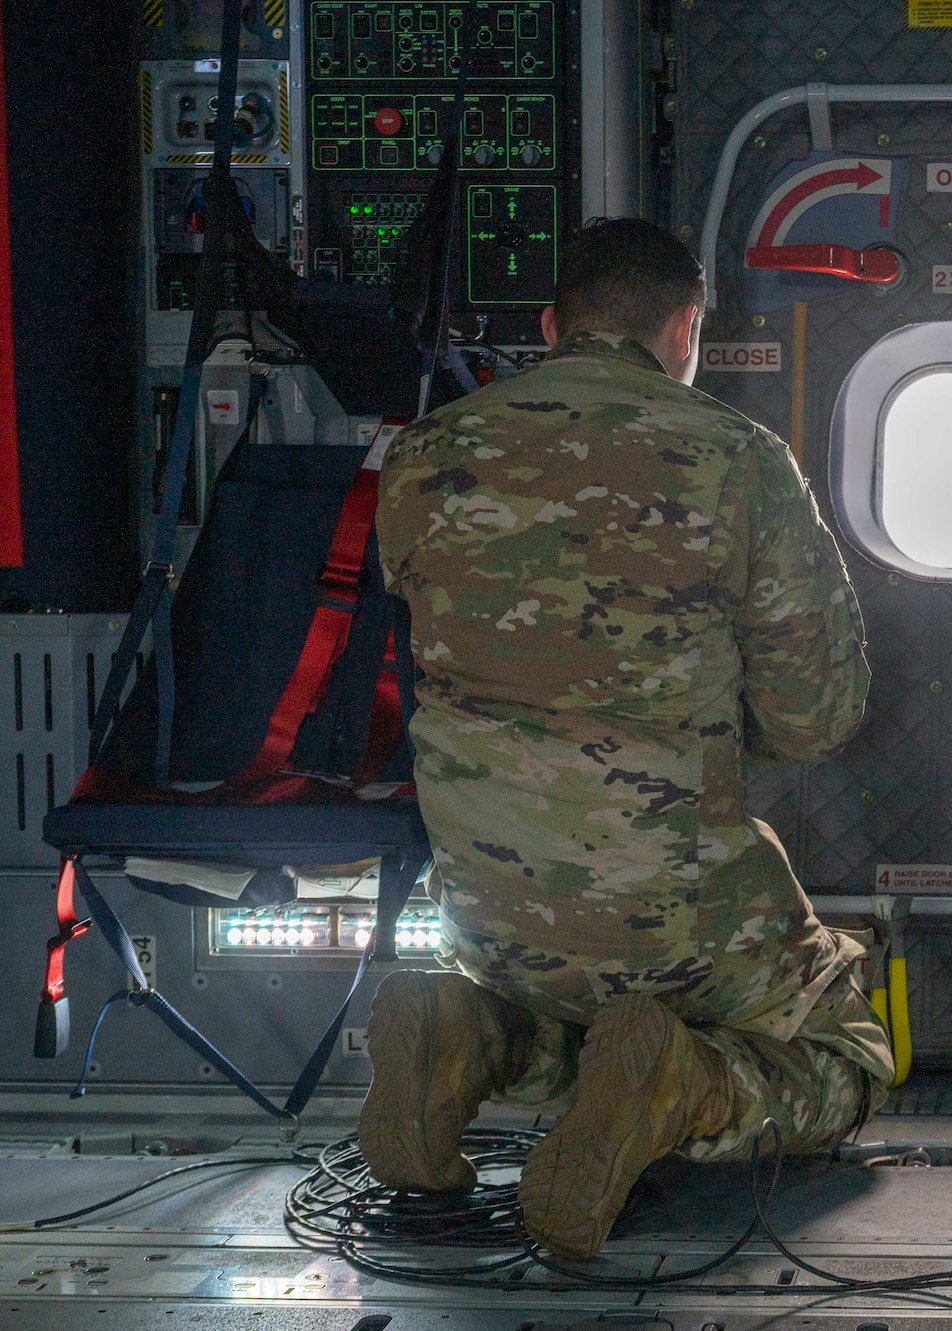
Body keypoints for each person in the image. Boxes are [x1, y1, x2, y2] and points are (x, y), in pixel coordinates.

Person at [364, 218, 888, 1261]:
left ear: (554, 326)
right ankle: (678, 1091)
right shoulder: (737, 458)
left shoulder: (424, 454)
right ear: (685, 328)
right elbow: (815, 716)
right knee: (846, 1052)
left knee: (576, 1012)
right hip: (673, 919)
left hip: (487, 917)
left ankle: (460, 1035)